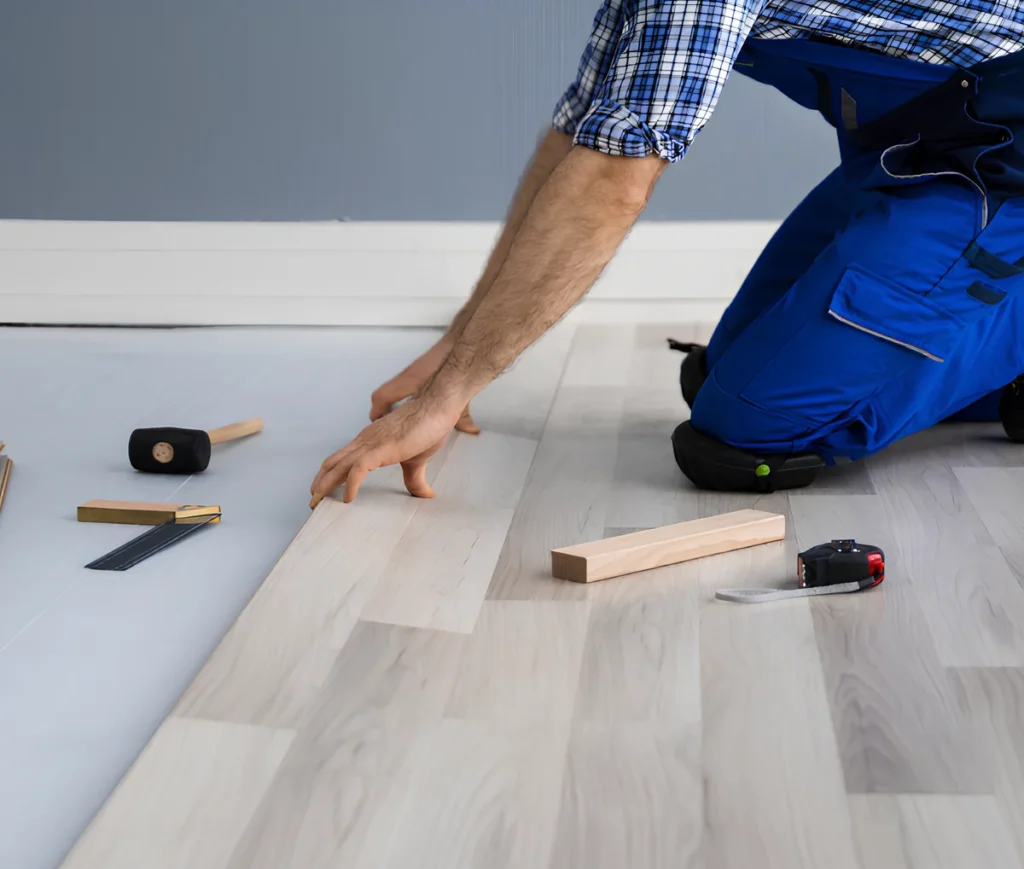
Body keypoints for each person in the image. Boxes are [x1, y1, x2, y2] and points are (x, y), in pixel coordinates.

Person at [311, 0, 1024, 506]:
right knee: (717, 377)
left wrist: (445, 398)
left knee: (743, 437)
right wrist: (458, 350)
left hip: (1002, 172)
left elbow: (612, 180)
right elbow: (578, 138)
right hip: (927, 158)